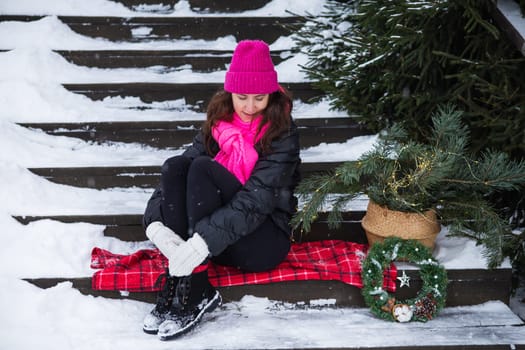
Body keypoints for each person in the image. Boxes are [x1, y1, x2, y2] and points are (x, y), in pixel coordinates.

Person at [141, 39, 301, 341]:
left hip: (262, 241)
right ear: (230, 93)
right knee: (176, 166)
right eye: (242, 97)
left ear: (272, 95)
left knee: (202, 168)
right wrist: (156, 223)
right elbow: (175, 175)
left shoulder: (283, 133)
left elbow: (256, 200)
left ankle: (196, 284)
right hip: (219, 240)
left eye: (259, 98)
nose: (250, 107)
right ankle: (185, 277)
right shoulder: (218, 123)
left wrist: (200, 244)